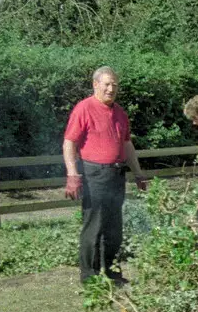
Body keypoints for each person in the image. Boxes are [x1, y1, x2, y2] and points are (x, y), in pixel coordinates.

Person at [63, 67, 148, 284]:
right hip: (94, 175)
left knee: (114, 229)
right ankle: (89, 277)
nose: (111, 89)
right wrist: (73, 174)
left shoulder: (120, 113)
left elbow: (127, 144)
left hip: (116, 174)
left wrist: (138, 174)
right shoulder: (84, 109)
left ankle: (111, 273)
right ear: (95, 84)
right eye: (107, 84)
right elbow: (69, 142)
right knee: (94, 227)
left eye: (115, 85)